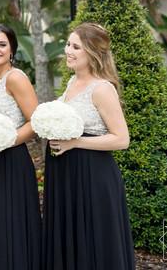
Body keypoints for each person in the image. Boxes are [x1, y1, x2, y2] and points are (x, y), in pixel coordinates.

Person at [42, 23, 133, 269]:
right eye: (68, 44)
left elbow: (121, 139)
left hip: (92, 176)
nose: (67, 50)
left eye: (75, 47)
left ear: (92, 52)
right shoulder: (72, 81)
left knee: (94, 240)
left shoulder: (102, 88)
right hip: (66, 174)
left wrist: (75, 143)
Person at [0, 24, 40, 270]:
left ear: (12, 49)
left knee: (8, 224)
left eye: (2, 44)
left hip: (11, 161)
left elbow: (35, 122)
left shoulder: (16, 78)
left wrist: (4, 141)